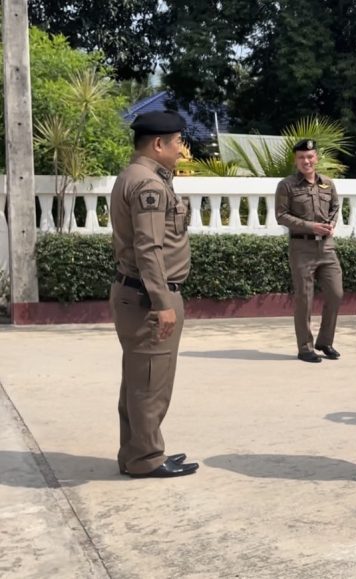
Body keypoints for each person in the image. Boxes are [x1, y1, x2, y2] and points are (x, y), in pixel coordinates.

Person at [109, 110, 199, 478]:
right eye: (177, 142)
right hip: (149, 299)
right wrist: (163, 303)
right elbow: (149, 249)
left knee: (138, 380)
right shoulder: (148, 185)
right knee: (150, 384)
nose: (181, 149)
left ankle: (137, 453)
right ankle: (145, 459)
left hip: (136, 293)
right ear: (159, 144)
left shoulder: (133, 175)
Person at [275, 139, 345, 363]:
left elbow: (335, 206)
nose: (306, 161)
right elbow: (281, 216)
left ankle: (325, 341)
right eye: (301, 157)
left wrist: (330, 224)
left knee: (336, 293)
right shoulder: (286, 185)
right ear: (295, 160)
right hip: (302, 248)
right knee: (304, 299)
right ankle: (305, 348)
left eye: (310, 156)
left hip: (327, 247)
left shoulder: (328, 184)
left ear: (316, 157)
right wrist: (310, 226)